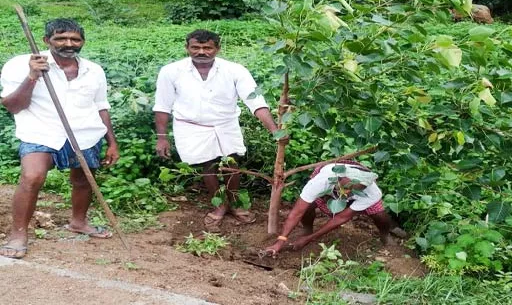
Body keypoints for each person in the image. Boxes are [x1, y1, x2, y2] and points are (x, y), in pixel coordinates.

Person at [0, 19, 119, 259]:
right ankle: (18, 234)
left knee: (83, 180)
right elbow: (13, 106)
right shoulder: (20, 65)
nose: (69, 44)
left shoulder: (93, 70)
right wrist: (32, 75)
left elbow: (100, 106)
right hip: (41, 132)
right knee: (32, 177)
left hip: (84, 133)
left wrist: (112, 142)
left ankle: (78, 222)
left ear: (83, 42)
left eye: (75, 39)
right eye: (61, 38)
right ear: (47, 41)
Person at [153, 29, 280, 230]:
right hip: (190, 126)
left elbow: (255, 101)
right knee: (207, 165)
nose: (201, 52)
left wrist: (274, 130)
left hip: (226, 123)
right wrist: (162, 137)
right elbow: (162, 106)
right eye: (195, 47)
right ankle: (219, 204)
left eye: (207, 47)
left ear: (217, 49)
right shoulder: (171, 71)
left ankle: (236, 204)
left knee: (233, 163)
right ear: (187, 48)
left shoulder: (235, 70)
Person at [265, 160, 392, 256]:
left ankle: (385, 235)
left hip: (359, 197)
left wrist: (310, 239)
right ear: (339, 179)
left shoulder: (372, 192)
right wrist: (280, 242)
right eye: (344, 189)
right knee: (308, 206)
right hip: (329, 186)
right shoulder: (322, 180)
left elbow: (341, 218)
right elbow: (297, 212)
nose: (346, 194)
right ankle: (307, 229)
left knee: (380, 216)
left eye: (351, 192)